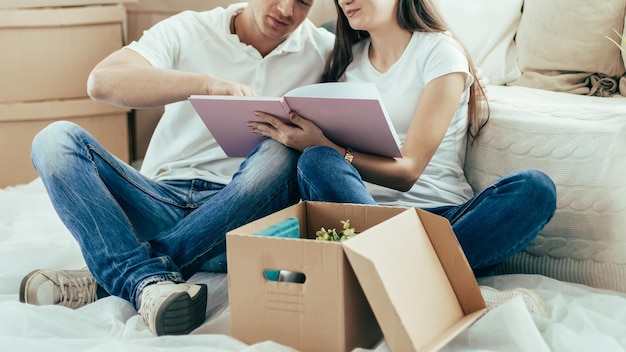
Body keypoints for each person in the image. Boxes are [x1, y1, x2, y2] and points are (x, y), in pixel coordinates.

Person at [19, 0, 335, 336]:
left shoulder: (325, 51)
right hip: (157, 201)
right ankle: (147, 277)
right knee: (54, 141)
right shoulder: (191, 29)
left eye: (303, 1)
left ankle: (122, 274)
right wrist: (206, 86)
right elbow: (102, 81)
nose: (286, 9)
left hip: (241, 216)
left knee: (280, 150)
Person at [249, 0, 557, 277]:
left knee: (535, 189)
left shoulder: (440, 53)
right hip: (359, 217)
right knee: (316, 161)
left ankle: (392, 270)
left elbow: (408, 172)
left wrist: (329, 146)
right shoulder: (344, 61)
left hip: (439, 219)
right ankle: (425, 274)